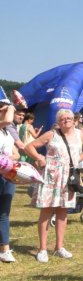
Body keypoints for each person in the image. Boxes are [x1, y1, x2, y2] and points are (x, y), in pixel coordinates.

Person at [23, 108, 83, 262]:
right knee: (46, 211)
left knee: (62, 212)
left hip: (68, 177)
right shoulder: (52, 134)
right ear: (58, 122)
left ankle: (59, 247)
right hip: (51, 176)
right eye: (62, 119)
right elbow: (29, 147)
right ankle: (42, 249)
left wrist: (75, 160)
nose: (65, 120)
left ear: (74, 120)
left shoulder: (80, 135)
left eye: (68, 118)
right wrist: (40, 157)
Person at [0, 102, 18, 262]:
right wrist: (11, 106)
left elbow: (16, 153)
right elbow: (7, 120)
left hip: (8, 175)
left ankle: (5, 249)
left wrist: (9, 159)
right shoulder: (3, 125)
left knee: (4, 212)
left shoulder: (7, 133)